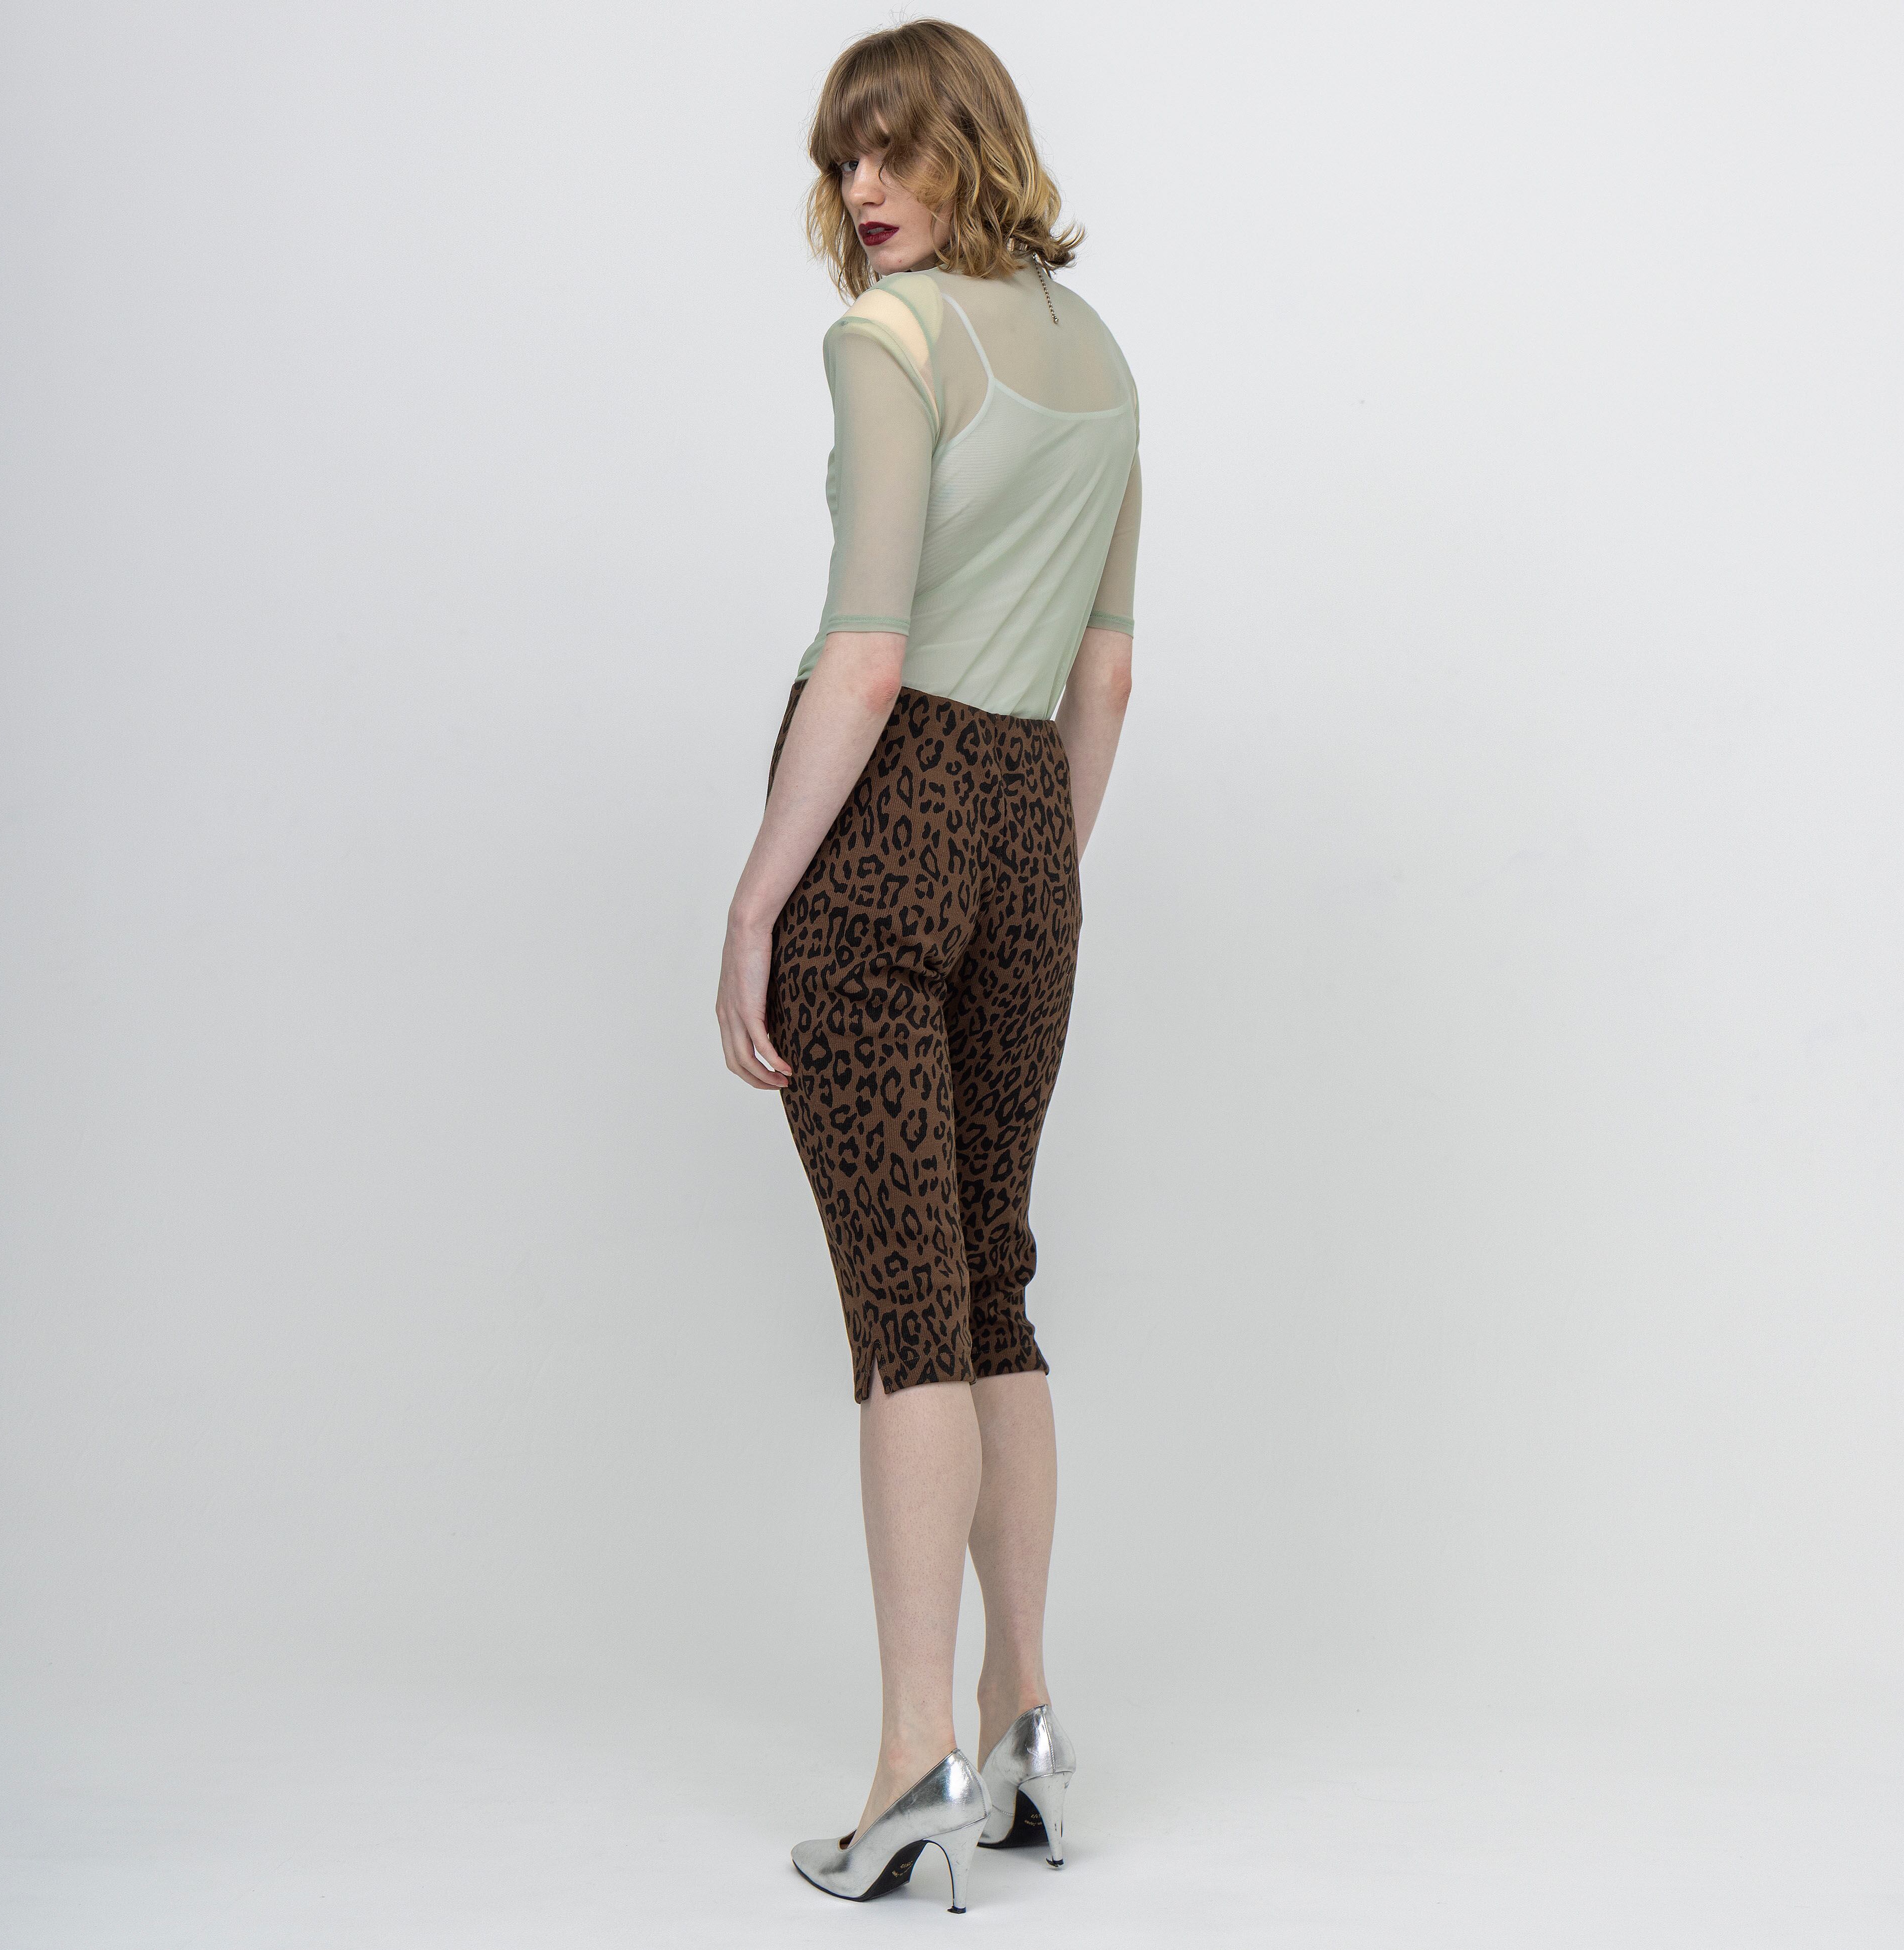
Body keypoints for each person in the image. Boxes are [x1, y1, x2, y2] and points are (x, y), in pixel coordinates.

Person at [714, 19, 1141, 1914]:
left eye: (894, 151)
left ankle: (911, 1766)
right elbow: (1105, 675)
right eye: (842, 159)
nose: (862, 189)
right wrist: (1032, 868)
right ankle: (1022, 1714)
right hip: (1031, 827)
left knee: (911, 1313)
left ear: (974, 147)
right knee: (990, 1286)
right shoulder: (1105, 362)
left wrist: (757, 902)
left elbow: (867, 648)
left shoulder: (888, 341)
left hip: (882, 827)